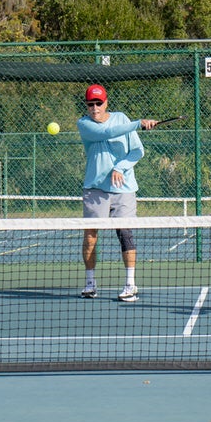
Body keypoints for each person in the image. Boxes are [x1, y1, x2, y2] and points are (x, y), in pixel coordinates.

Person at [75, 83, 158, 302]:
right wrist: (138, 124)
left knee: (125, 234)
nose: (94, 108)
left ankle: (130, 285)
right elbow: (107, 132)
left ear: (106, 102)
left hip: (124, 189)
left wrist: (119, 167)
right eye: (90, 104)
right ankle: (90, 284)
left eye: (98, 103)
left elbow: (138, 151)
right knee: (91, 236)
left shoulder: (122, 118)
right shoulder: (84, 124)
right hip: (95, 189)